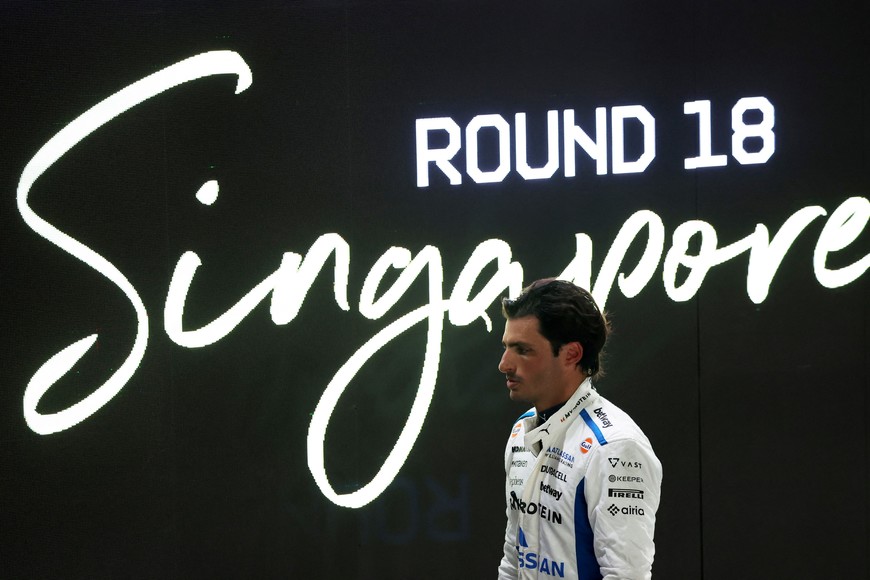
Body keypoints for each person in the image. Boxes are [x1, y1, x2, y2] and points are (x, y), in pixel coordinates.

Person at [496, 279, 662, 579]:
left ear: (571, 354)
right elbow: (513, 560)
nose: (504, 364)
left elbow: (626, 575)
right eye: (506, 347)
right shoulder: (521, 431)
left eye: (523, 350)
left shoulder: (616, 446)